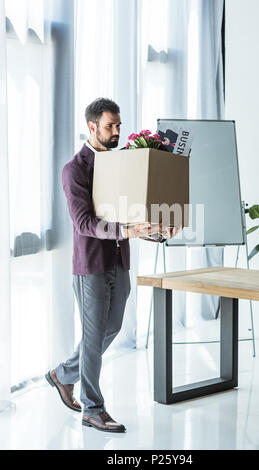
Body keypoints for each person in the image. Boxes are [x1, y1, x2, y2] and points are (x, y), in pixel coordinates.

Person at [45, 97, 182, 433]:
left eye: (119, 125)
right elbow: (83, 223)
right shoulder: (74, 170)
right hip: (90, 265)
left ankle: (62, 374)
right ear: (92, 126)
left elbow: (132, 213)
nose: (117, 131)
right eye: (110, 126)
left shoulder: (121, 165)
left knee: (111, 329)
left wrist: (157, 231)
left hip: (119, 260)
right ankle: (93, 409)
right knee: (93, 338)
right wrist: (126, 229)